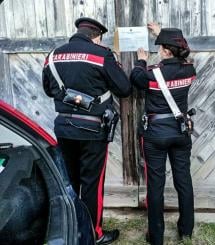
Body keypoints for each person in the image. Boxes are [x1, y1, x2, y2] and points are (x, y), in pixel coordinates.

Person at [42, 17, 131, 245]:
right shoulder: (102, 55)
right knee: (91, 184)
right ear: (97, 36)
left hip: (63, 128)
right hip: (93, 130)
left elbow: (49, 90)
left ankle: (71, 232)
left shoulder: (52, 56)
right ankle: (93, 234)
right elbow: (124, 88)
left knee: (69, 183)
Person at [130, 23, 196, 245]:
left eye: (161, 47)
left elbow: (135, 77)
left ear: (165, 51)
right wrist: (162, 35)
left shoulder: (151, 73)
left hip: (155, 135)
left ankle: (156, 237)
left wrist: (141, 58)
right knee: (184, 181)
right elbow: (183, 54)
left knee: (155, 185)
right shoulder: (190, 70)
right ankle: (186, 231)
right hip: (180, 132)